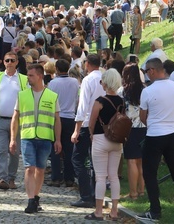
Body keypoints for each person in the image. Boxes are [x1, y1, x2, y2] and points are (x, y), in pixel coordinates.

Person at [138, 58, 174, 220]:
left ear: (153, 71)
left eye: (147, 71)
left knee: (150, 172)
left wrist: (154, 123)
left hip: (155, 134)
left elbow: (142, 117)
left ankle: (155, 209)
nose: (147, 75)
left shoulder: (147, 91)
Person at [10, 64, 62, 214]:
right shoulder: (22, 95)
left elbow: (57, 119)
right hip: (27, 136)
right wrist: (13, 138)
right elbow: (15, 118)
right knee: (29, 168)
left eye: (31, 75)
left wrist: (58, 139)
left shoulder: (52, 96)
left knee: (40, 169)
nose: (28, 78)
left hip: (45, 138)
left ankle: (36, 197)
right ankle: (31, 199)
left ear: (39, 76)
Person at [86, 68, 124, 221]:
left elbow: (92, 121)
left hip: (101, 139)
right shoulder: (121, 101)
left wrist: (90, 134)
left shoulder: (100, 101)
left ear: (106, 83)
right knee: (113, 176)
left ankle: (98, 211)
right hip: (117, 140)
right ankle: (114, 211)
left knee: (100, 177)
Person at [0, 51, 27, 191]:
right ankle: (2, 178)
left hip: (17, 121)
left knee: (14, 151)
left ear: (16, 62)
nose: (9, 63)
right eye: (7, 60)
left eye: (12, 60)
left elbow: (27, 100)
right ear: (3, 62)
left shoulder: (23, 79)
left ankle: (12, 178)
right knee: (1, 150)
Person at [71, 53, 104, 208]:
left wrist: (76, 129)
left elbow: (83, 106)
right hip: (102, 124)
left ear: (88, 64)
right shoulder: (105, 77)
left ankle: (86, 195)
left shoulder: (88, 80)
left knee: (78, 159)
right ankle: (95, 194)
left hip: (86, 124)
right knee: (95, 162)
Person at [46, 59, 78, 189]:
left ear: (57, 69)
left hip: (57, 117)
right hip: (70, 117)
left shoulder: (53, 83)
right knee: (69, 149)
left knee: (55, 148)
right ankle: (69, 178)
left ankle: (56, 177)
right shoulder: (75, 82)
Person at [120, 63, 146, 200]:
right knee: (141, 161)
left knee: (131, 161)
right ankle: (142, 190)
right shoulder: (145, 90)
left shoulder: (122, 91)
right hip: (144, 127)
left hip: (129, 128)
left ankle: (133, 192)